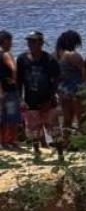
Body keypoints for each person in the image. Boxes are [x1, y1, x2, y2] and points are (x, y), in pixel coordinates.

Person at [17, 30, 61, 158]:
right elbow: (19, 81)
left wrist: (50, 99)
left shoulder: (50, 59)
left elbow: (56, 81)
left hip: (48, 100)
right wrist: (20, 99)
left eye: (34, 42)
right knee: (33, 130)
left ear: (41, 43)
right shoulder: (22, 59)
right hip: (30, 100)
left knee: (54, 129)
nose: (30, 44)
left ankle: (60, 155)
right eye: (29, 41)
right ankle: (36, 153)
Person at [55, 30, 86, 132]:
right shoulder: (73, 55)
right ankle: (83, 142)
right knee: (82, 118)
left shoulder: (57, 56)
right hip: (77, 91)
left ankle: (66, 142)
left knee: (67, 119)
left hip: (63, 91)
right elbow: (84, 73)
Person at [0, 30, 19, 149]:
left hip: (1, 89)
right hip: (9, 91)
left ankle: (2, 142)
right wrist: (14, 79)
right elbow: (14, 68)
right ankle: (10, 141)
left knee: (2, 117)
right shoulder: (6, 54)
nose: (11, 43)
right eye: (10, 41)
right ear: (5, 41)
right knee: (11, 117)